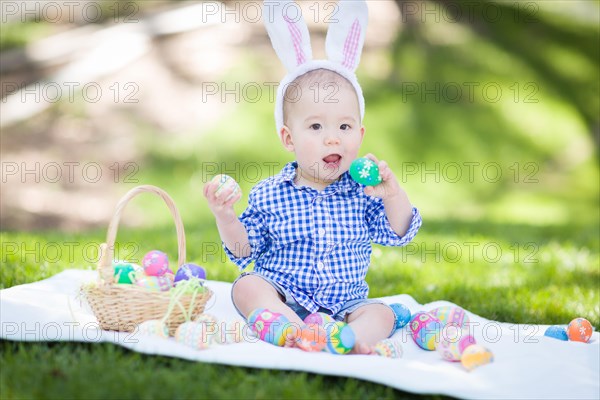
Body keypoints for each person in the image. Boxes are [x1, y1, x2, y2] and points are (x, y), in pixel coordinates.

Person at [203, 0, 421, 355]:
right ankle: (289, 326)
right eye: (316, 126)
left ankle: (350, 338)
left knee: (381, 314)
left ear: (360, 135)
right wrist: (225, 216)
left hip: (344, 305)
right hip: (284, 291)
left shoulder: (364, 193)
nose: (332, 137)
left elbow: (399, 233)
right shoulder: (270, 194)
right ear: (288, 138)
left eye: (344, 126)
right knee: (247, 286)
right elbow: (244, 249)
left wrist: (392, 194)